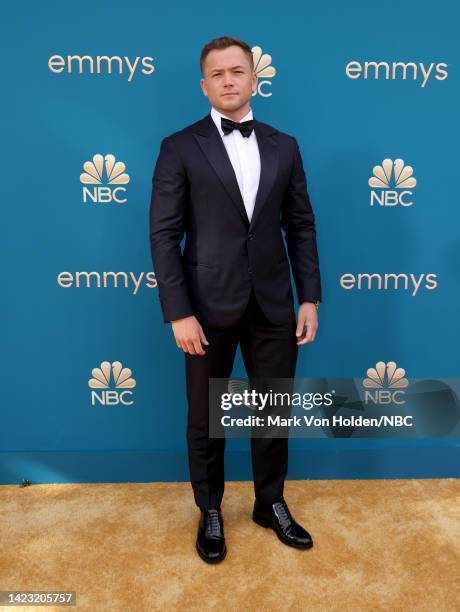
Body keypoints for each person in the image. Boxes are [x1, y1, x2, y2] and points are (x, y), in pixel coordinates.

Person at [149, 35, 322, 564]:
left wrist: (309, 297)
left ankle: (270, 503)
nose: (228, 80)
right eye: (218, 73)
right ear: (205, 85)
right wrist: (178, 310)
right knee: (206, 417)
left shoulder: (285, 145)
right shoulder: (179, 146)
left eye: (237, 71)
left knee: (272, 413)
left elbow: (300, 225)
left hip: (273, 304)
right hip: (204, 308)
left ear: (253, 78)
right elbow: (163, 234)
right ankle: (211, 510)